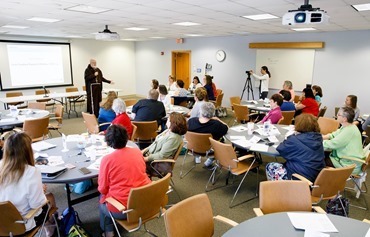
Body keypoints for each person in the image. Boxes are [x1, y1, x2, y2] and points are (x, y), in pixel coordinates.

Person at [99, 125, 151, 237]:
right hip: (146, 202)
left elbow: (102, 188)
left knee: (102, 198)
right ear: (126, 138)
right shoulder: (137, 152)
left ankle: (108, 232)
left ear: (108, 142)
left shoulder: (107, 160)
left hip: (124, 210)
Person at [0, 133, 48, 233]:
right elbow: (37, 205)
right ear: (28, 150)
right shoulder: (31, 172)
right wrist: (41, 191)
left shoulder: (1, 165)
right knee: (50, 198)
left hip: (1, 226)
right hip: (21, 225)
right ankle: (52, 229)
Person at [265, 114, 325, 182]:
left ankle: (276, 189)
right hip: (315, 176)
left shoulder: (295, 140)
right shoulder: (318, 138)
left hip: (298, 178)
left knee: (270, 166)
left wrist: (293, 135)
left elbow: (281, 149)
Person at [323, 106, 365, 175]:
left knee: (317, 159)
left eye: (339, 115)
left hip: (348, 164)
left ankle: (324, 182)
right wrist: (322, 137)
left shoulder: (349, 130)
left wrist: (318, 143)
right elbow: (335, 134)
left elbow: (334, 143)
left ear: (345, 119)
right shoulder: (348, 126)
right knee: (320, 155)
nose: (336, 116)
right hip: (347, 160)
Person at [187, 102, 229, 168]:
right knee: (222, 140)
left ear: (201, 111)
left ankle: (197, 157)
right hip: (209, 151)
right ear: (213, 113)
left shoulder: (191, 121)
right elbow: (227, 128)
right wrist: (217, 119)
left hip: (192, 149)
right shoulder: (216, 125)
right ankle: (210, 160)